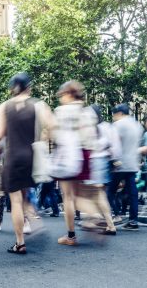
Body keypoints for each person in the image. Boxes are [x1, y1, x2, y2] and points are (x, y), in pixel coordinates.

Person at [0, 72, 52, 254]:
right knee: (26, 194)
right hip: (32, 156)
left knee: (15, 200)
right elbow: (51, 128)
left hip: (13, 158)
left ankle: (20, 242)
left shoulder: (3, 107)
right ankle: (34, 222)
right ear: (29, 87)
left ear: (12, 88)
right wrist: (45, 141)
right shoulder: (39, 104)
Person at [52, 81, 98, 246]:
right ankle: (94, 217)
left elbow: (55, 135)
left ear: (69, 94)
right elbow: (92, 137)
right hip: (85, 153)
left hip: (68, 156)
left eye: (62, 95)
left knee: (69, 197)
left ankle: (71, 236)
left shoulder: (61, 111)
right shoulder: (88, 112)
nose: (60, 98)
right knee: (80, 194)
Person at [77, 104, 121, 235]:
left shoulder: (96, 128)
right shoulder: (108, 126)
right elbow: (116, 147)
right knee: (99, 194)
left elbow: (87, 143)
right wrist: (114, 161)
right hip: (104, 162)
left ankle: (97, 219)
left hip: (95, 161)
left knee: (93, 194)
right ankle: (106, 223)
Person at [107, 104, 143, 230]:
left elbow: (113, 144)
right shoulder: (137, 125)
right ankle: (133, 221)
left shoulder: (118, 125)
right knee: (133, 193)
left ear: (120, 113)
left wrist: (113, 160)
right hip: (132, 164)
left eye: (114, 114)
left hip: (120, 164)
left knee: (109, 191)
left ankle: (115, 215)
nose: (114, 117)